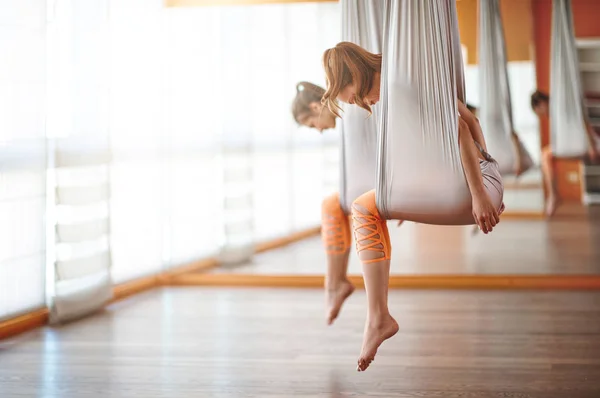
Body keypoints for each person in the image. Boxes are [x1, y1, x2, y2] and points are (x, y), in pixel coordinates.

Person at [321, 41, 504, 372]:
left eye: (354, 96)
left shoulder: (398, 87)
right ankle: (376, 317)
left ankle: (377, 318)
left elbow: (461, 129)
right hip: (480, 180)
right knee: (367, 208)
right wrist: (486, 172)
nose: (361, 104)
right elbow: (471, 120)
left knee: (363, 210)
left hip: (474, 186)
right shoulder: (406, 80)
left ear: (355, 75)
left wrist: (480, 194)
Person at [530, 90, 600, 216]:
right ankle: (554, 195)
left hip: (590, 143)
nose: (542, 115)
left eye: (539, 112)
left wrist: (591, 146)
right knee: (546, 155)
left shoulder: (559, 108)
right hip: (578, 144)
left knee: (546, 155)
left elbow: (583, 121)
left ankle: (554, 196)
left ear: (541, 103)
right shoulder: (555, 114)